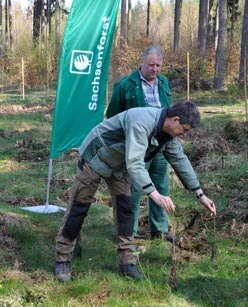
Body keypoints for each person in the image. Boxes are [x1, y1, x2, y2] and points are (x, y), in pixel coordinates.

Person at [54, 100, 216, 282]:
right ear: (175, 119)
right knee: (79, 208)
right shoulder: (141, 121)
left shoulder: (168, 133)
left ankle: (127, 263)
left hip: (120, 165)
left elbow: (180, 159)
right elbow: (136, 163)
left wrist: (200, 194)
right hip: (95, 157)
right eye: (184, 129)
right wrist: (155, 195)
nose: (184, 134)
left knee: (126, 211)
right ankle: (63, 259)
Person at [106, 44, 174, 241]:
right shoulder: (125, 85)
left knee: (161, 185)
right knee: (134, 188)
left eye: (158, 66)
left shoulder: (164, 83)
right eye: (151, 65)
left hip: (160, 144)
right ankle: (130, 232)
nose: (155, 69)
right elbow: (113, 117)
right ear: (141, 62)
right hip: (138, 147)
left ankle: (159, 230)